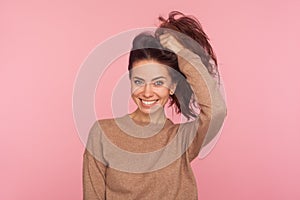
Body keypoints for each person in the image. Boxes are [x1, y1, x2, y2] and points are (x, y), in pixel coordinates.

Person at [83, 11, 227, 200]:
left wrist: (183, 53)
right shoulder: (102, 134)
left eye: (158, 82)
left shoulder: (182, 139)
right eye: (139, 81)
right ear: (130, 80)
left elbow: (217, 110)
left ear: (172, 86)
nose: (147, 92)